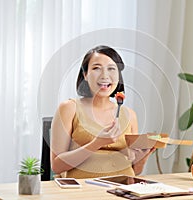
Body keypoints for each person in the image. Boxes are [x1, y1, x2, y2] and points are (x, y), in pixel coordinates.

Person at [51, 45, 155, 178]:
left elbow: (135, 171)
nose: (105, 75)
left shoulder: (129, 115)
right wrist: (97, 143)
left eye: (111, 69)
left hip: (123, 190)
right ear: (85, 75)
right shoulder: (69, 108)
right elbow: (57, 166)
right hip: (84, 192)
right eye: (96, 68)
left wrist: (142, 158)